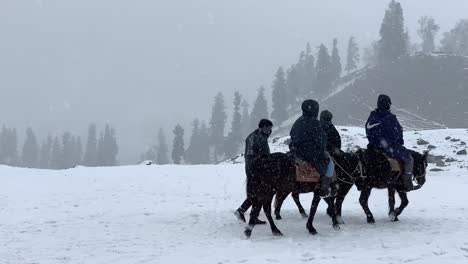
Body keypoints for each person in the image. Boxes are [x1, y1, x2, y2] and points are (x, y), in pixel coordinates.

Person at [365, 94, 414, 192]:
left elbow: (368, 130)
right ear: (387, 104)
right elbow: (396, 132)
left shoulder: (372, 116)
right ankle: (407, 183)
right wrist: (399, 141)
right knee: (409, 159)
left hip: (373, 147)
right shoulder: (390, 117)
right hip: (389, 147)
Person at [289, 100, 334, 197]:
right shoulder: (315, 123)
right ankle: (323, 188)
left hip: (296, 152)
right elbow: (321, 141)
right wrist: (322, 149)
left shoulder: (298, 121)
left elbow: (292, 134)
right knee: (330, 164)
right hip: (311, 153)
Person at [234, 119, 273, 224]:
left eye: (271, 129)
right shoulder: (258, 137)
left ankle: (252, 215)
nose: (270, 131)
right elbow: (258, 155)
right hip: (256, 169)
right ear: (263, 127)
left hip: (253, 167)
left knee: (255, 193)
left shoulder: (255, 136)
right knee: (257, 193)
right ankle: (241, 210)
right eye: (268, 128)